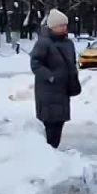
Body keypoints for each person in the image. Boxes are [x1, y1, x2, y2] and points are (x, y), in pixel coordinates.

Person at [30, 9, 79, 148]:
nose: (64, 27)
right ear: (52, 26)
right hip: (47, 92)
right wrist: (50, 76)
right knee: (50, 123)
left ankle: (54, 151)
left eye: (65, 25)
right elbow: (35, 64)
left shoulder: (68, 44)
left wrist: (73, 77)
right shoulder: (43, 43)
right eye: (61, 25)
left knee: (60, 122)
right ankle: (49, 153)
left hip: (63, 91)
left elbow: (71, 63)